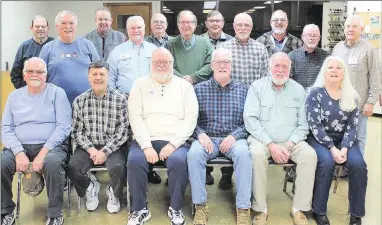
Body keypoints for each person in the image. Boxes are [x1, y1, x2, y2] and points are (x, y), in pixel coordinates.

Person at [127, 47, 198, 225]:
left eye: (165, 62)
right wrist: (146, 145)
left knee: (178, 162)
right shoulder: (139, 84)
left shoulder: (185, 86)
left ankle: (176, 208)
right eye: (156, 62)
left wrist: (173, 144)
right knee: (134, 161)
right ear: (150, 64)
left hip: (176, 141)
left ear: (172, 64)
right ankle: (140, 209)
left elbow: (191, 118)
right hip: (146, 139)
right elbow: (135, 116)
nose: (161, 66)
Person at [244, 52, 317, 225]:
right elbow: (250, 119)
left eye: (285, 66)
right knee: (255, 155)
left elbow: (303, 124)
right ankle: (261, 209)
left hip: (291, 140)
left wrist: (290, 143)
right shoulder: (256, 87)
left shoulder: (298, 90)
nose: (280, 70)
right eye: (277, 65)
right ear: (269, 67)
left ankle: (299, 209)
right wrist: (271, 145)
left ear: (290, 69)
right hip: (262, 140)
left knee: (309, 155)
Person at [1, 57, 71, 225]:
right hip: (20, 145)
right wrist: (18, 152)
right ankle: (5, 212)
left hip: (51, 146)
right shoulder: (13, 97)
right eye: (30, 71)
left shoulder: (57, 93)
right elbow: (6, 128)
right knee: (2, 163)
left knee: (53, 163)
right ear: (24, 76)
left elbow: (64, 126)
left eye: (39, 72)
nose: (35, 75)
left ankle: (55, 214)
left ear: (46, 75)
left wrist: (43, 153)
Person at [187, 48, 251, 225]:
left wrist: (234, 136)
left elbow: (250, 121)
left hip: (234, 139)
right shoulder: (198, 90)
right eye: (219, 62)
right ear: (212, 65)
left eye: (226, 62)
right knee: (194, 154)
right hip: (208, 138)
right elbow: (190, 120)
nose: (223, 65)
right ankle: (200, 206)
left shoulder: (244, 90)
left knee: (244, 155)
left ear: (231, 65)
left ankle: (243, 208)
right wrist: (200, 134)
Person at [306, 56, 367, 225]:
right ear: (324, 72)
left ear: (343, 73)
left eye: (338, 68)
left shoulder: (352, 95)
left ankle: (356, 213)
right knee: (326, 162)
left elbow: (353, 126)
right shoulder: (314, 93)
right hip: (319, 139)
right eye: (330, 67)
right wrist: (333, 149)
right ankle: (319, 210)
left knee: (358, 165)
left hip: (344, 141)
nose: (334, 71)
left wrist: (345, 148)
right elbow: (314, 125)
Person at [68, 60, 129, 214]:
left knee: (118, 167)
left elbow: (123, 131)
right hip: (89, 145)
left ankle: (114, 193)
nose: (98, 77)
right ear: (88, 77)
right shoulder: (80, 101)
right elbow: (76, 131)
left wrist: (105, 151)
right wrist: (92, 150)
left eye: (102, 74)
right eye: (94, 74)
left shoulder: (121, 99)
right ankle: (90, 187)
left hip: (113, 145)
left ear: (108, 76)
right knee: (73, 167)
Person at [107, 15, 161, 184]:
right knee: (126, 136)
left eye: (139, 27)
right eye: (132, 28)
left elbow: (161, 74)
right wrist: (117, 98)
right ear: (127, 30)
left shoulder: (154, 50)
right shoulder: (117, 51)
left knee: (148, 134)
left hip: (150, 101)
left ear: (144, 29)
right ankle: (126, 173)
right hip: (124, 100)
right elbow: (110, 77)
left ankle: (149, 169)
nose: (136, 31)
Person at [332, 15, 382, 156]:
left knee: (358, 138)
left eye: (354, 27)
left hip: (359, 105)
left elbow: (376, 78)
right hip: (338, 103)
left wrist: (370, 102)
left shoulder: (369, 50)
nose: (350, 29)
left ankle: (356, 169)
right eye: (348, 26)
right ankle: (341, 166)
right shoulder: (337, 48)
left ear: (361, 29)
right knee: (339, 137)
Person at [39, 10, 100, 104]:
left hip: (86, 103)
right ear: (57, 26)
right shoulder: (47, 48)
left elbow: (99, 71)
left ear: (76, 25)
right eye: (63, 23)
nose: (68, 27)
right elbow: (40, 76)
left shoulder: (88, 45)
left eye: (71, 23)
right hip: (56, 103)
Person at [218, 13, 268, 85]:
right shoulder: (223, 48)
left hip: (254, 95)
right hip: (231, 95)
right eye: (239, 25)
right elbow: (220, 76)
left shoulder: (261, 49)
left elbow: (265, 78)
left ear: (251, 27)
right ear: (234, 26)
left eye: (246, 25)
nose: (243, 28)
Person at [165, 10, 213, 84]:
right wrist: (182, 79)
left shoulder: (205, 43)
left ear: (195, 25)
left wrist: (193, 78)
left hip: (200, 89)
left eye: (189, 22)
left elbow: (211, 64)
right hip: (176, 87)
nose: (186, 25)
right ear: (178, 25)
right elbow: (165, 65)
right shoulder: (169, 44)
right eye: (182, 22)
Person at [10, 15, 54, 89]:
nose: (40, 29)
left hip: (51, 93)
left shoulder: (55, 45)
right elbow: (15, 74)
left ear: (48, 28)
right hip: (29, 93)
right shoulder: (24, 47)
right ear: (32, 28)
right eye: (37, 26)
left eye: (43, 26)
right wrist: (24, 90)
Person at [289, 24, 330, 89]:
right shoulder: (292, 56)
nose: (311, 38)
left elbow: (329, 79)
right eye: (309, 35)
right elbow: (289, 80)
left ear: (319, 38)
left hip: (319, 96)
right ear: (302, 37)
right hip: (298, 95)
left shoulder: (327, 57)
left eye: (315, 36)